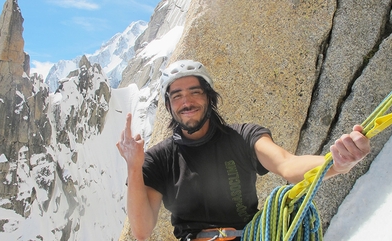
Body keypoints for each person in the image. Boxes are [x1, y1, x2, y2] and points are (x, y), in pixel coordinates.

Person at [116, 60, 370, 241]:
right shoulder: (158, 159)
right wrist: (134, 166)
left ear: (209, 98)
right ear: (169, 106)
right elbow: (142, 230)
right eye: (177, 96)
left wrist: (336, 163)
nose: (187, 102)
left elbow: (287, 166)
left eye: (195, 92)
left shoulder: (243, 137)